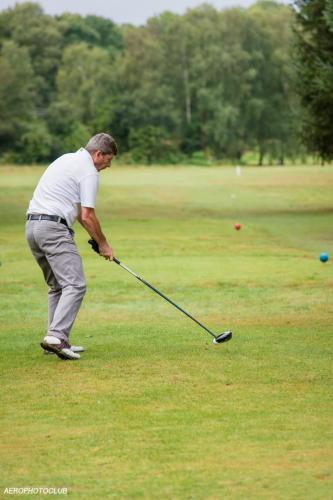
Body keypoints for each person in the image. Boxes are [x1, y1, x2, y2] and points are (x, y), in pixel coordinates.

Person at [25, 133, 117, 360]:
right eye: (108, 159)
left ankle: (54, 340)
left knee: (57, 286)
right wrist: (104, 244)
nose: (109, 165)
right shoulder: (88, 171)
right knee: (75, 284)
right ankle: (56, 336)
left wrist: (96, 241)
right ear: (98, 154)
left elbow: (77, 212)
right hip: (53, 229)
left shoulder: (66, 159)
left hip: (33, 228)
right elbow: (87, 215)